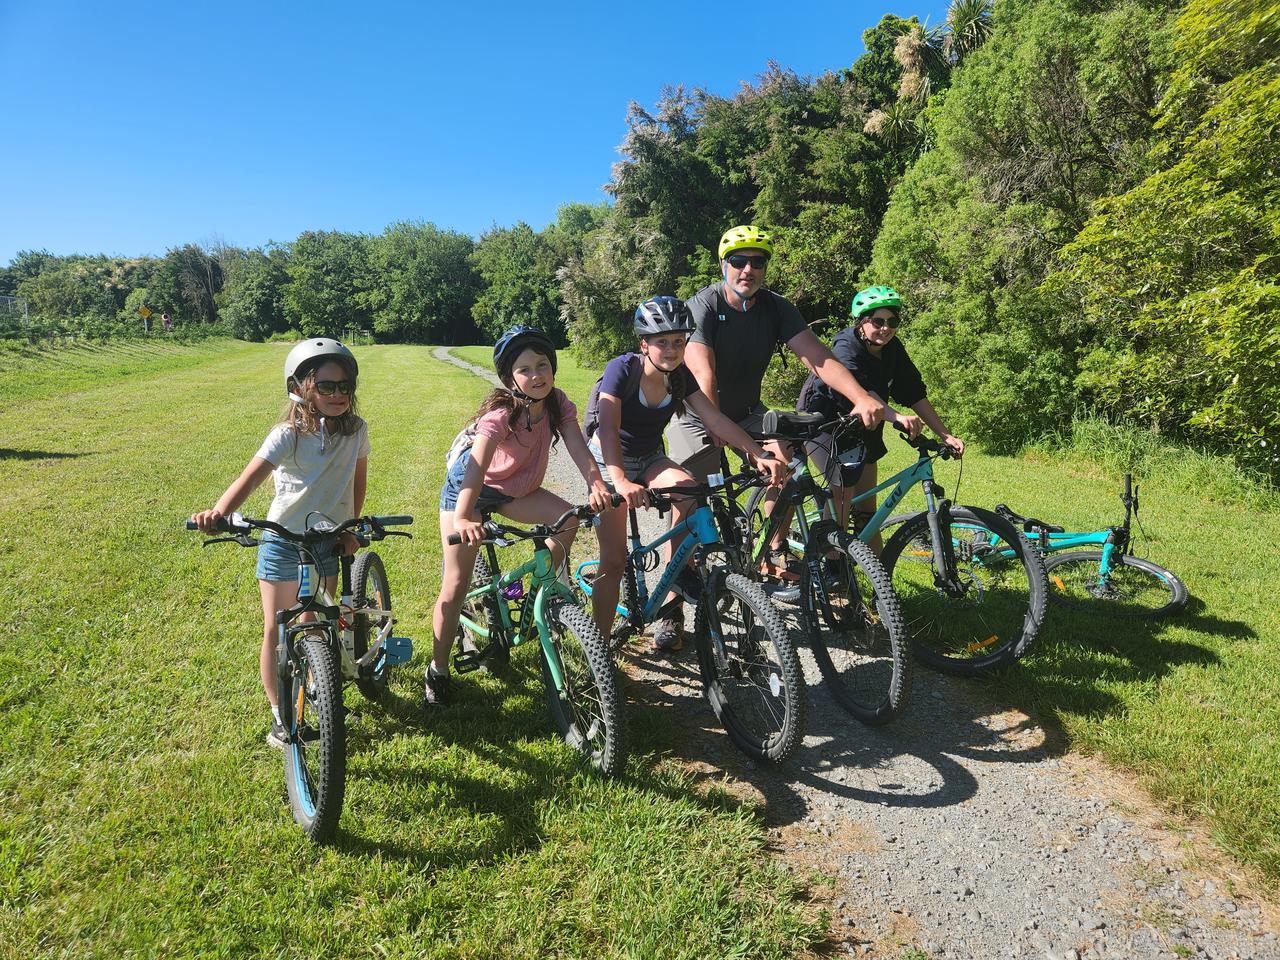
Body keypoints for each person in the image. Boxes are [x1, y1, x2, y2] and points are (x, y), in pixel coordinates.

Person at [666, 224, 887, 581]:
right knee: (689, 498)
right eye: (739, 261)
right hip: (697, 414)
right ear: (723, 265)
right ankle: (675, 592)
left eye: (758, 262)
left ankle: (772, 548)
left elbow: (819, 357)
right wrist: (716, 424)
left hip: (749, 412)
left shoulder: (776, 308)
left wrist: (859, 396)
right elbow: (704, 372)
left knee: (788, 467)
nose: (748, 269)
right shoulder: (704, 305)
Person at [191, 338, 368, 749]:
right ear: (299, 388)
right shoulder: (288, 435)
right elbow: (250, 478)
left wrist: (350, 526)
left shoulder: (356, 431)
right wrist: (218, 512)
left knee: (317, 624)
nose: (338, 394)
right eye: (326, 386)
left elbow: (356, 483)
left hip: (326, 540)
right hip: (283, 541)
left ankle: (321, 693)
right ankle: (280, 713)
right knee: (278, 628)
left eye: (345, 386)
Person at [590, 297, 788, 651]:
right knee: (615, 560)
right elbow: (607, 428)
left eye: (678, 341)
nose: (671, 349)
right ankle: (599, 648)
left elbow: (715, 419)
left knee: (692, 492)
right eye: (662, 342)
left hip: (649, 457)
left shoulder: (680, 377)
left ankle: (679, 573)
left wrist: (758, 453)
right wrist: (619, 480)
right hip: (609, 461)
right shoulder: (622, 369)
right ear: (644, 344)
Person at [432, 325, 613, 704]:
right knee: (456, 582)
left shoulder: (557, 403)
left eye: (542, 365)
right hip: (469, 489)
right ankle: (438, 670)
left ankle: (544, 595)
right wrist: (464, 517)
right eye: (525, 369)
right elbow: (475, 468)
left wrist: (596, 484)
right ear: (509, 379)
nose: (537, 375)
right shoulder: (501, 413)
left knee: (567, 518)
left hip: (515, 488)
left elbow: (578, 446)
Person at [801, 284, 965, 552]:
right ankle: (832, 569)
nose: (886, 328)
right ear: (862, 322)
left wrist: (945, 434)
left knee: (867, 511)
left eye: (893, 322)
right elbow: (862, 393)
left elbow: (914, 393)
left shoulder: (892, 349)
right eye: (878, 321)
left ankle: (879, 575)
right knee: (842, 493)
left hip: (865, 428)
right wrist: (897, 417)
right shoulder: (846, 345)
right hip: (827, 425)